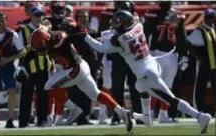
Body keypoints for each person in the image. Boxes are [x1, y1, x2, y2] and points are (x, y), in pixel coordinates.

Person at [83, 10, 212, 134]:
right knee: (139, 86)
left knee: (170, 99)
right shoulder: (138, 26)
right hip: (151, 65)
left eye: (117, 23)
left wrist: (87, 37)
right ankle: (146, 117)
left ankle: (200, 116)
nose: (115, 25)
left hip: (146, 73)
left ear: (123, 24)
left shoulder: (120, 40)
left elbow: (100, 48)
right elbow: (130, 25)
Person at [30, 28, 133, 132]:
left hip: (75, 69)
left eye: (40, 47)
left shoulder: (57, 39)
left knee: (48, 86)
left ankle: (73, 108)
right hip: (81, 67)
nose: (39, 50)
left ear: (45, 41)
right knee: (96, 94)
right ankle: (122, 112)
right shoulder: (49, 42)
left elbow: (67, 37)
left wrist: (81, 35)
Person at [98, 1, 143, 125]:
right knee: (117, 88)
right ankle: (117, 116)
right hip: (118, 57)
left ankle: (138, 115)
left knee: (136, 87)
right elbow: (104, 36)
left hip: (131, 56)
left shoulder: (135, 19)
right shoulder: (110, 17)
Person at [143, 1, 187, 123]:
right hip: (157, 53)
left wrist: (184, 55)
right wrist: (145, 52)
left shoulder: (178, 15)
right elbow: (146, 34)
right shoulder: (153, 14)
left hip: (172, 54)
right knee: (155, 85)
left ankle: (163, 114)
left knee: (168, 86)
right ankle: (150, 113)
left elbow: (182, 36)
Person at [16, 6, 53, 128]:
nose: (38, 18)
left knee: (43, 95)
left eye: (40, 15)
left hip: (43, 67)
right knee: (26, 95)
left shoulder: (45, 29)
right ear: (30, 16)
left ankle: (42, 120)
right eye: (36, 15)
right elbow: (20, 50)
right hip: (28, 68)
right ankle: (23, 121)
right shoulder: (23, 30)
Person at [0, 12, 26, 128]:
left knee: (11, 91)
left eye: (3, 20)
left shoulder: (12, 34)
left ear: (6, 21)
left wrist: (9, 59)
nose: (1, 23)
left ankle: (10, 119)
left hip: (8, 66)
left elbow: (23, 51)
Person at [186, 9, 215, 115]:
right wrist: (196, 57)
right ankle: (198, 111)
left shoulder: (212, 30)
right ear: (205, 17)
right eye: (208, 17)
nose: (210, 19)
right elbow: (188, 42)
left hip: (214, 65)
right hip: (204, 64)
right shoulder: (199, 30)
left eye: (212, 17)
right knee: (200, 88)